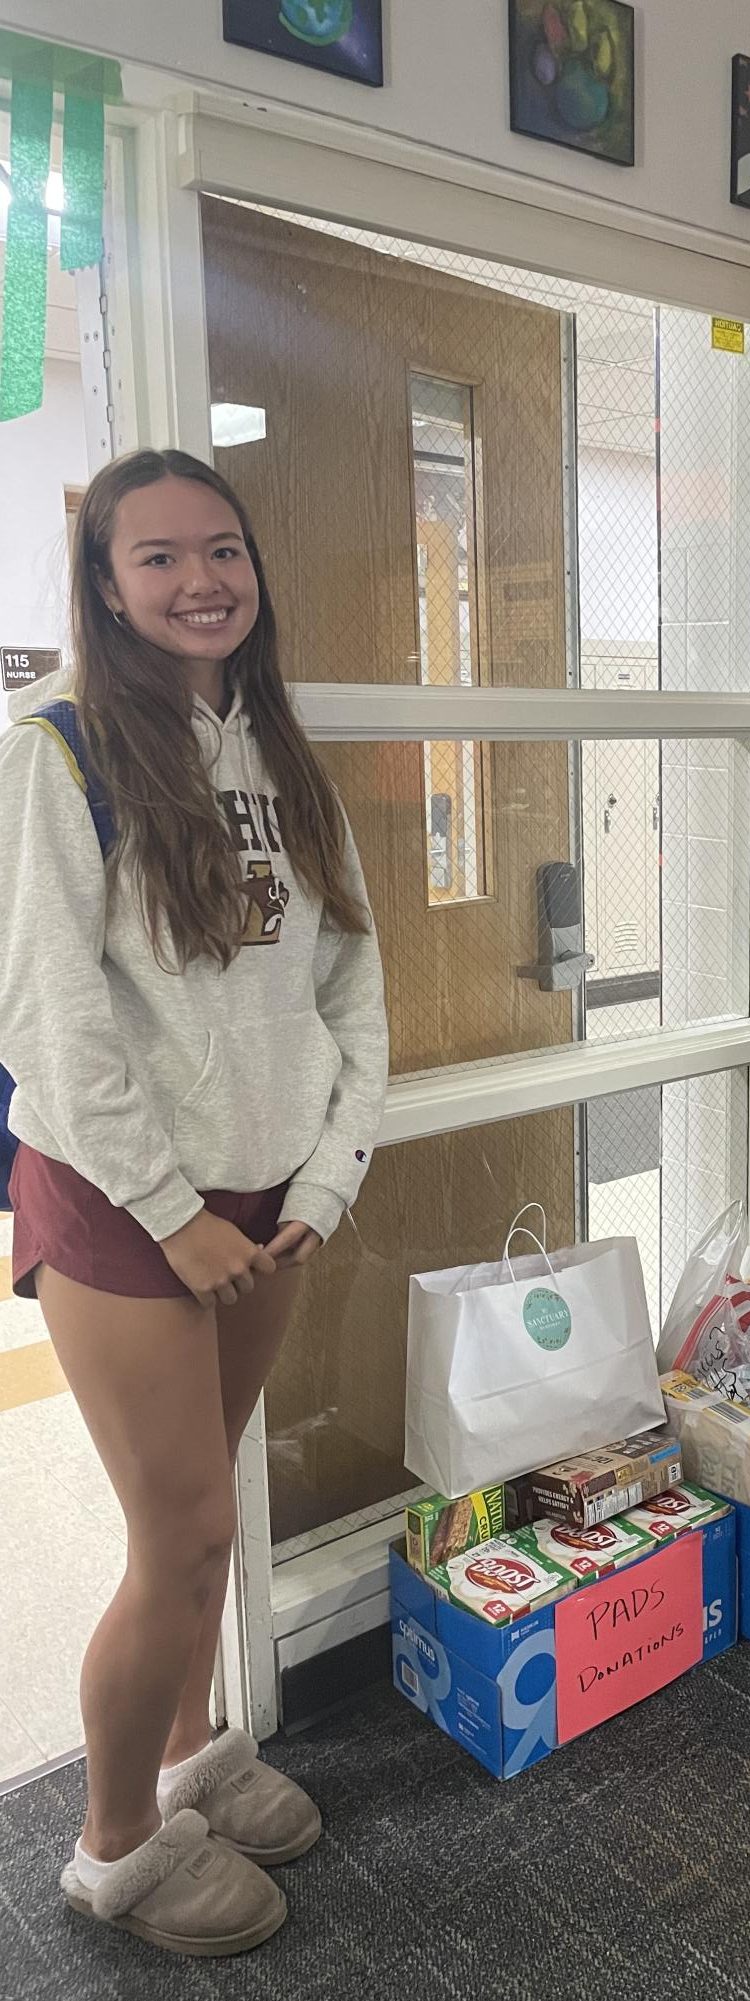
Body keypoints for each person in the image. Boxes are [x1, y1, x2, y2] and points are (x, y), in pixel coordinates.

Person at [0, 450, 388, 1955]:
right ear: (105, 584)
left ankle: (193, 1755)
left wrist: (328, 1174)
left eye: (221, 549)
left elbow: (354, 983)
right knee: (177, 1539)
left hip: (267, 1196)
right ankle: (114, 1847)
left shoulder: (282, 755)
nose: (200, 579)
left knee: (207, 1521)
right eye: (156, 557)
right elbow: (49, 1024)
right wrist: (170, 1211)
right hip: (121, 1205)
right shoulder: (57, 754)